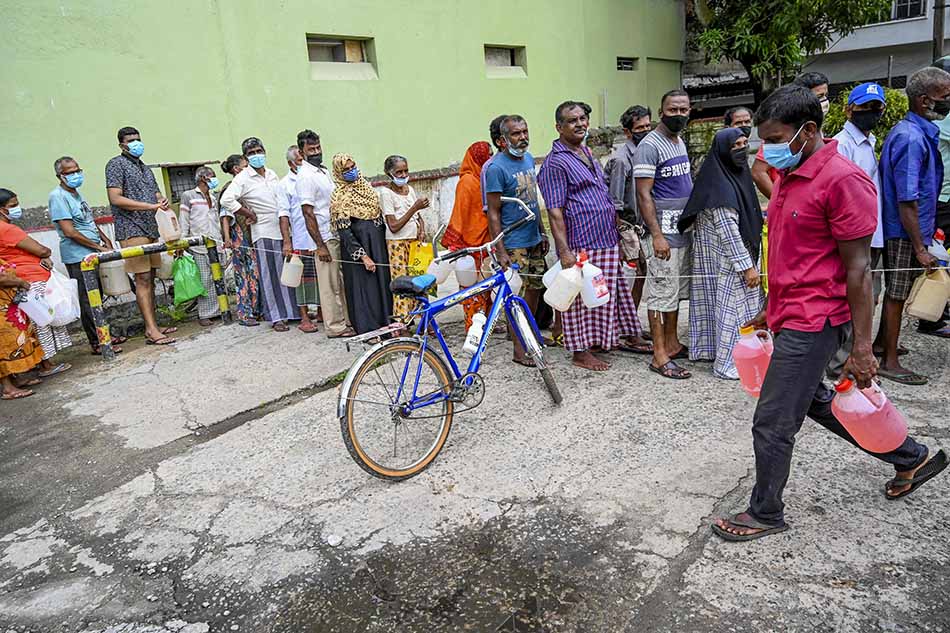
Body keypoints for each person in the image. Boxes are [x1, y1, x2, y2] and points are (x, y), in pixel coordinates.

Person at [712, 84, 947, 542]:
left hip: (817, 320)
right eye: (765, 139)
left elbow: (859, 271)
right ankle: (911, 457)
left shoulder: (843, 180)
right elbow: (792, 252)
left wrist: (863, 347)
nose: (769, 149)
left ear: (810, 130)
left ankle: (765, 512)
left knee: (773, 420)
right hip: (790, 312)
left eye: (777, 139)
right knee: (817, 401)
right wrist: (768, 307)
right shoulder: (791, 175)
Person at [538, 101, 647, 372]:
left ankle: (605, 339)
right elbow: (554, 210)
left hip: (605, 237)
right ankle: (580, 351)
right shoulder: (555, 162)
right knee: (578, 299)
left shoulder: (586, 152)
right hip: (580, 242)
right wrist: (564, 251)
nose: (580, 124)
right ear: (559, 127)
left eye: (583, 118)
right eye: (572, 120)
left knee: (603, 293)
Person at [876, 66, 950, 385]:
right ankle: (889, 361)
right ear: (923, 101)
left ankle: (883, 344)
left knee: (899, 293)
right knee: (898, 294)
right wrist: (920, 247)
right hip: (904, 231)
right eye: (944, 97)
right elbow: (907, 199)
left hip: (912, 228)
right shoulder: (910, 137)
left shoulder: (918, 132)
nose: (948, 103)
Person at [677, 128, 763, 380]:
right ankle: (728, 364)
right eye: (735, 145)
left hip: (726, 259)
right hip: (728, 261)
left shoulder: (734, 175)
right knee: (732, 311)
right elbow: (729, 234)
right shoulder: (721, 187)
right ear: (723, 150)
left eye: (745, 143)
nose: (741, 149)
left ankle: (718, 352)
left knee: (725, 308)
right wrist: (746, 266)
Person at [826, 83, 887, 377]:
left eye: (877, 107)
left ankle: (852, 359)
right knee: (851, 298)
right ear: (849, 109)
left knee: (866, 297)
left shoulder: (870, 141)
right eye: (865, 107)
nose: (871, 113)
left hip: (871, 234)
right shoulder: (842, 145)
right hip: (852, 238)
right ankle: (838, 366)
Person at [634, 89, 694, 379]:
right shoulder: (650, 144)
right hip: (663, 235)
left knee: (674, 293)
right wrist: (656, 234)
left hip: (680, 231)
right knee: (659, 294)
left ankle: (672, 343)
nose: (679, 115)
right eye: (673, 110)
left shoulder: (678, 140)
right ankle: (659, 355)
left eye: (683, 110)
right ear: (661, 112)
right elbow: (644, 194)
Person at [485, 115, 549, 367]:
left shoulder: (529, 159)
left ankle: (527, 334)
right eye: (515, 133)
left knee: (534, 288)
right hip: (513, 241)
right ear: (502, 140)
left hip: (533, 236)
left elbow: (533, 199)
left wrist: (542, 231)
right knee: (516, 295)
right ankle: (519, 349)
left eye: (524, 131)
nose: (522, 137)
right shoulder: (495, 168)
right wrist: (500, 249)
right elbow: (492, 212)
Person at [105, 126, 176, 345]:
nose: (136, 143)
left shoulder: (145, 168)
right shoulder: (116, 165)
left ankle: (153, 324)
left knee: (151, 278)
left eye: (138, 139)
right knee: (142, 279)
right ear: (121, 145)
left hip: (150, 228)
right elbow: (115, 198)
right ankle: (151, 329)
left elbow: (155, 193)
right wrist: (148, 206)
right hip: (131, 228)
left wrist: (161, 200)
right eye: (131, 140)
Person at [221, 137, 299, 331]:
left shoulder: (271, 174)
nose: (257, 155)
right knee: (269, 274)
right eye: (252, 153)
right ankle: (276, 316)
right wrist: (248, 213)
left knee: (287, 271)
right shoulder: (243, 178)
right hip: (263, 229)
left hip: (282, 227)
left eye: (258, 151)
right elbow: (226, 199)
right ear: (246, 157)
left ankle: (293, 311)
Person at [48, 156, 124, 355]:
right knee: (88, 300)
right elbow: (70, 231)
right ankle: (97, 341)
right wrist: (97, 247)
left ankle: (105, 334)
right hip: (78, 256)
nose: (75, 175)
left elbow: (89, 222)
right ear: (60, 176)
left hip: (92, 251)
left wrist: (106, 241)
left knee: (97, 297)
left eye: (77, 170)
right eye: (69, 172)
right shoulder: (58, 197)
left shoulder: (77, 195)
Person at [0, 189, 73, 377]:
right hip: (29, 280)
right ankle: (45, 364)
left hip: (23, 278)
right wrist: (46, 253)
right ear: (1, 209)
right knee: (42, 321)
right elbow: (40, 250)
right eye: (12, 205)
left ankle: (41, 363)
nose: (17, 208)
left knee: (37, 321)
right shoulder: (7, 229)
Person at [296, 130, 354, 338]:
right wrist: (319, 245)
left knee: (339, 282)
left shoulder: (323, 171)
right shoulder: (305, 176)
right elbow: (307, 212)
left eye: (318, 147)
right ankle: (335, 327)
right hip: (323, 237)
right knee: (329, 285)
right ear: (301, 152)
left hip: (335, 232)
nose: (316, 152)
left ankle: (345, 321)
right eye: (311, 149)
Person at [329, 153, 392, 334]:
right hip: (360, 249)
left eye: (352, 167)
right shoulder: (339, 196)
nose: (351, 172)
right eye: (346, 169)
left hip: (377, 244)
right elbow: (345, 233)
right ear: (339, 173)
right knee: (365, 291)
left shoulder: (366, 188)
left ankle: (386, 325)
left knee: (381, 285)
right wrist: (363, 256)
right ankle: (368, 329)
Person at [751, 71, 829, 198]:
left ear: (809, 130)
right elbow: (758, 171)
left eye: (825, 96)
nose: (824, 101)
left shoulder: (842, 178)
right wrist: (779, 203)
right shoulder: (782, 133)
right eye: (818, 97)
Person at [606, 105, 653, 309]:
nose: (645, 131)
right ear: (627, 132)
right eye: (640, 127)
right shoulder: (621, 160)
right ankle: (627, 323)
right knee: (631, 274)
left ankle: (631, 321)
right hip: (625, 224)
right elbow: (614, 201)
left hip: (639, 224)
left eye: (648, 126)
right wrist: (619, 233)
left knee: (642, 270)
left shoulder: (645, 153)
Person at [444, 141, 493, 329]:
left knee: (487, 283)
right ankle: (473, 325)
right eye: (487, 155)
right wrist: (456, 242)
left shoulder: (484, 179)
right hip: (470, 243)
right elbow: (460, 212)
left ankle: (487, 321)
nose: (490, 158)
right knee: (471, 286)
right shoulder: (467, 182)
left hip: (486, 240)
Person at [379, 155, 429, 322]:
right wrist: (414, 208)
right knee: (401, 284)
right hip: (397, 244)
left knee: (419, 281)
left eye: (405, 171)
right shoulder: (386, 193)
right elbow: (393, 226)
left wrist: (421, 229)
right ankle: (402, 323)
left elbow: (419, 217)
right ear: (389, 173)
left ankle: (423, 319)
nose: (403, 175)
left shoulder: (409, 189)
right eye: (398, 172)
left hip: (414, 242)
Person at [278, 145, 319, 333]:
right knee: (301, 280)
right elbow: (284, 215)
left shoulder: (314, 175)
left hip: (317, 236)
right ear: (290, 163)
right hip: (300, 238)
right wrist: (287, 241)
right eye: (299, 160)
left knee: (319, 278)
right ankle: (304, 317)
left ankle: (320, 312)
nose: (302, 163)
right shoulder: (284, 184)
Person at [219, 154, 261, 327]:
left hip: (249, 236)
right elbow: (225, 216)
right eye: (245, 165)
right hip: (238, 237)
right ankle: (244, 313)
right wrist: (228, 238)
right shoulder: (231, 188)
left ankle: (255, 309)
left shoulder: (245, 185)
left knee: (254, 274)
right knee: (242, 276)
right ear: (237, 169)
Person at [179, 166, 223, 326]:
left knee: (219, 277)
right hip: (198, 245)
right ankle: (205, 313)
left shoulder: (213, 196)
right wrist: (183, 241)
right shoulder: (189, 196)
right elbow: (184, 219)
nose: (215, 179)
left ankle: (220, 309)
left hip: (216, 243)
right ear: (204, 178)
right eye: (212, 176)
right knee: (205, 280)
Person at [0, 259, 45, 400]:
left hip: (9, 305)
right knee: (4, 345)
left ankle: (16, 379)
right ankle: (8, 388)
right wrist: (20, 283)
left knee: (15, 341)